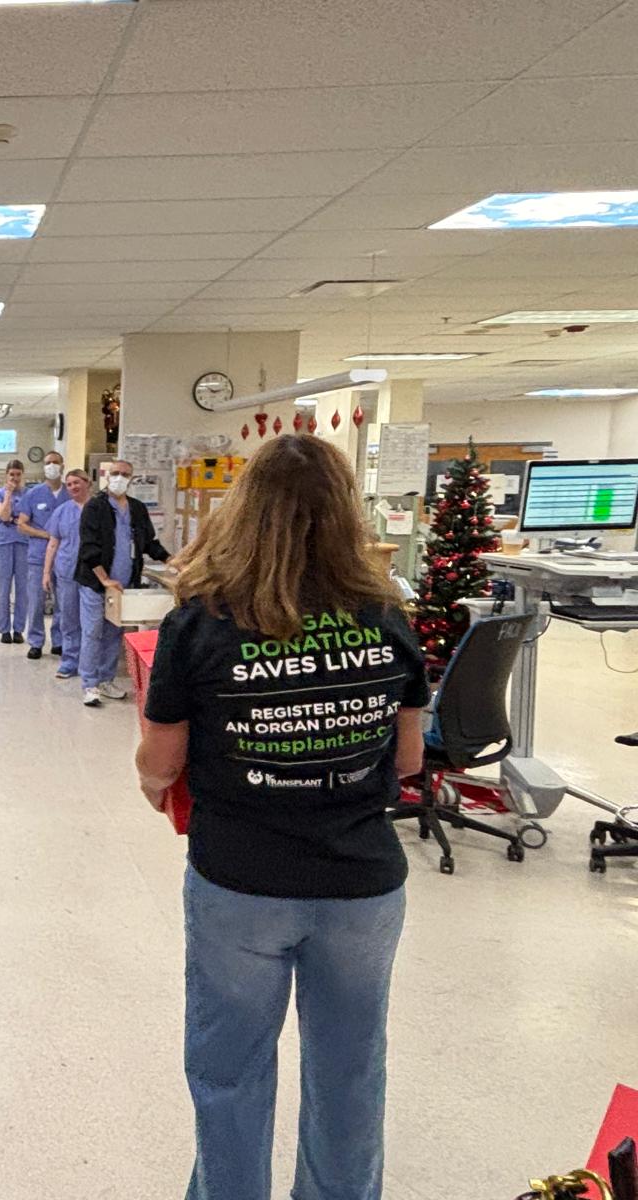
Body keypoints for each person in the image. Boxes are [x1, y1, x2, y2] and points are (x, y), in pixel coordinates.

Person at [134, 435, 428, 1200]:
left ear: (244, 510)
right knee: (350, 1071)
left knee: (230, 1071)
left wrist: (164, 783)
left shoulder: (200, 622)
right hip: (361, 883)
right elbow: (407, 761)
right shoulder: (387, 617)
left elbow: (160, 764)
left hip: (241, 881)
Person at [75, 459, 170, 706]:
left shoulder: (137, 508)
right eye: (115, 473)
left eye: (125, 474)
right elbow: (88, 547)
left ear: (132, 478)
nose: (119, 477)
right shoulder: (95, 507)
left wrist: (172, 560)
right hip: (95, 581)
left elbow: (149, 542)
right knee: (92, 632)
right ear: (107, 476)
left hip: (124, 584)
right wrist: (104, 579)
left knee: (114, 632)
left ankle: (106, 680)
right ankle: (90, 684)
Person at [17, 450, 67, 660]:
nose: (51, 466)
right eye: (48, 462)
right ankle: (36, 642)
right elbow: (21, 525)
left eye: (55, 462)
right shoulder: (33, 494)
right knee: (36, 601)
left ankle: (59, 641)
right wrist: (45, 534)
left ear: (62, 466)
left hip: (64, 556)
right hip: (38, 555)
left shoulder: (70, 493)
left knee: (63, 601)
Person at [42, 470, 90, 682]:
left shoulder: (98, 509)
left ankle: (89, 663)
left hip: (92, 573)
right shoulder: (62, 511)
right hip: (67, 571)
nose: (73, 487)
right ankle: (70, 661)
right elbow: (53, 543)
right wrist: (46, 572)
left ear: (87, 483)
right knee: (68, 618)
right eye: (69, 484)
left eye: (76, 483)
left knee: (91, 621)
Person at [0, 459, 29, 644]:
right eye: (12, 474)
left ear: (22, 475)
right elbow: (4, 516)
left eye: (18, 474)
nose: (15, 478)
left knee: (22, 589)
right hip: (4, 543)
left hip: (23, 543)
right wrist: (8, 494)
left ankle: (19, 629)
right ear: (6, 475)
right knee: (4, 588)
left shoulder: (29, 495)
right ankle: (4, 629)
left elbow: (29, 519)